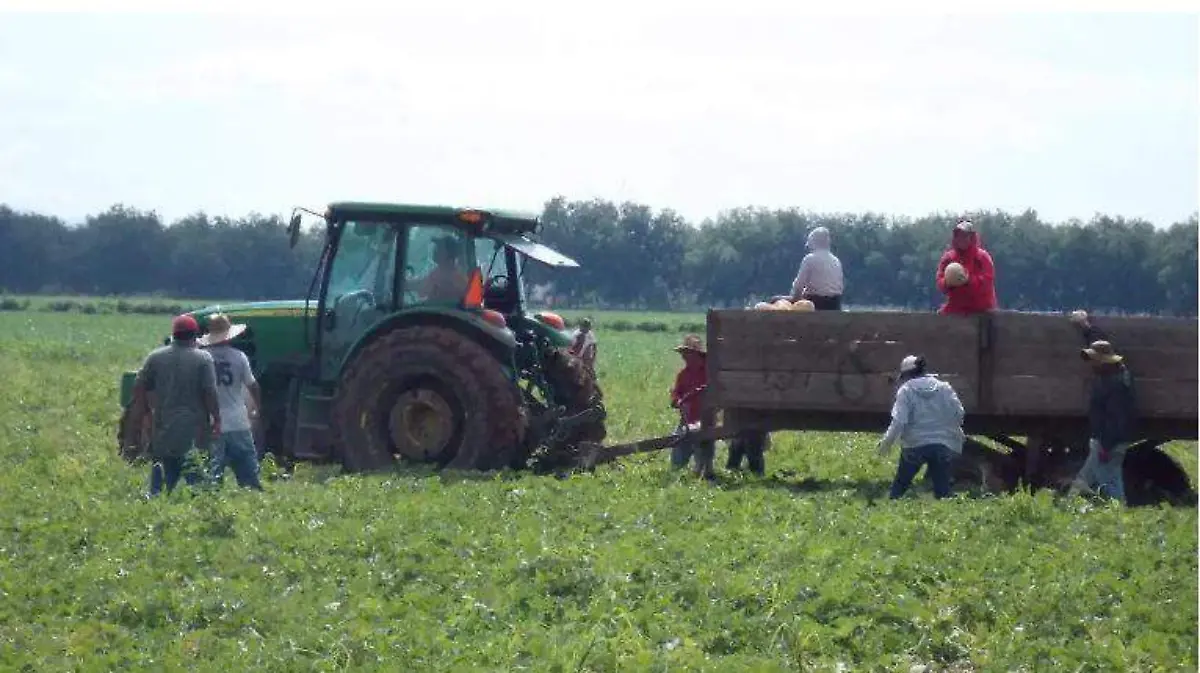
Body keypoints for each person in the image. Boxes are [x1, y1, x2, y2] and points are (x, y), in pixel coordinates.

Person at [130, 314, 221, 496]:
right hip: (194, 428)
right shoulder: (203, 359)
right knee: (197, 480)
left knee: (162, 477)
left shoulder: (155, 357)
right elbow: (209, 392)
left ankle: (156, 504)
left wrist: (145, 412)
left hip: (163, 426)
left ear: (174, 334)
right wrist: (217, 418)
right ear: (194, 335)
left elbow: (139, 386)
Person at [1066, 310, 1137, 504]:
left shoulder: (1116, 384)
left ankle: (1118, 515)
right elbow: (1101, 344)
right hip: (1104, 441)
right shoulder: (1112, 375)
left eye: (1093, 359)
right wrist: (1087, 328)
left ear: (1103, 361)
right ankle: (1068, 505)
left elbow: (1117, 418)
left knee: (1110, 479)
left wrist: (1106, 445)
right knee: (1087, 478)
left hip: (1109, 443)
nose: (1091, 363)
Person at [876, 354, 966, 499]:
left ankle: (892, 503)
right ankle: (944, 514)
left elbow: (899, 422)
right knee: (942, 491)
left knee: (900, 486)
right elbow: (959, 414)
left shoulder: (906, 390)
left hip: (914, 445)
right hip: (942, 445)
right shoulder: (944, 388)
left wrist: (886, 444)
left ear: (906, 374)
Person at [200, 313, 265, 491]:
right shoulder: (239, 357)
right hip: (238, 421)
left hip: (212, 423)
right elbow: (253, 386)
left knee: (212, 473)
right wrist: (258, 409)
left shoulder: (202, 358)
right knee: (249, 473)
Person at [668, 334, 715, 479]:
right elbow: (676, 393)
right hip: (687, 417)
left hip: (706, 417)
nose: (684, 357)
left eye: (687, 354)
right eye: (683, 354)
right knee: (678, 441)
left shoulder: (710, 372)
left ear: (696, 355)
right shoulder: (683, 374)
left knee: (703, 443)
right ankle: (677, 471)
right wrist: (676, 400)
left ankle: (705, 470)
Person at [935, 219, 997, 315]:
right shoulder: (948, 258)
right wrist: (947, 282)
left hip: (982, 309)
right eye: (958, 236)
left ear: (972, 238)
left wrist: (968, 280)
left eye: (965, 236)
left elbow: (987, 281)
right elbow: (940, 281)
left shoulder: (982, 257)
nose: (961, 239)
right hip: (956, 307)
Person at [790, 226, 844, 310]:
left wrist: (793, 303)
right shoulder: (836, 261)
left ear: (814, 243)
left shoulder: (809, 259)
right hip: (835, 305)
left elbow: (798, 287)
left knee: (775, 299)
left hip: (815, 303)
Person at [417, 236, 469, 302]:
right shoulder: (439, 271)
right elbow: (422, 288)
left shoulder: (457, 277)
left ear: (449, 253)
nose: (435, 250)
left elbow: (423, 290)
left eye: (439, 248)